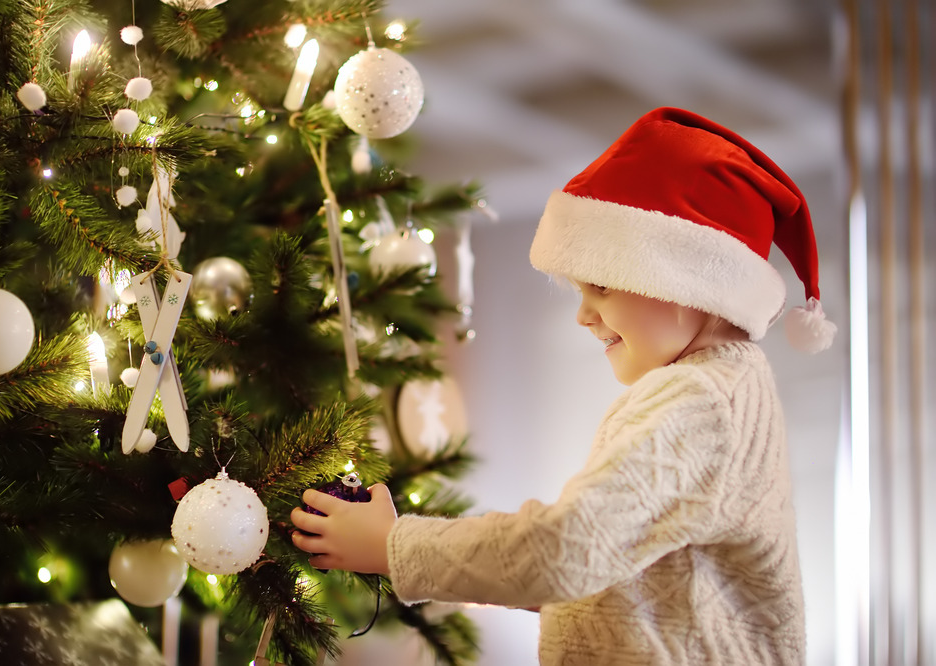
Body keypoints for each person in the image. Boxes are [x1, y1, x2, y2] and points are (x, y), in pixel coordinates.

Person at [290, 107, 836, 664]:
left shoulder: (700, 400)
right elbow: (612, 571)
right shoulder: (720, 390)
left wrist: (391, 547)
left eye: (600, 286)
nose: (584, 315)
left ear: (682, 280)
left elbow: (564, 550)